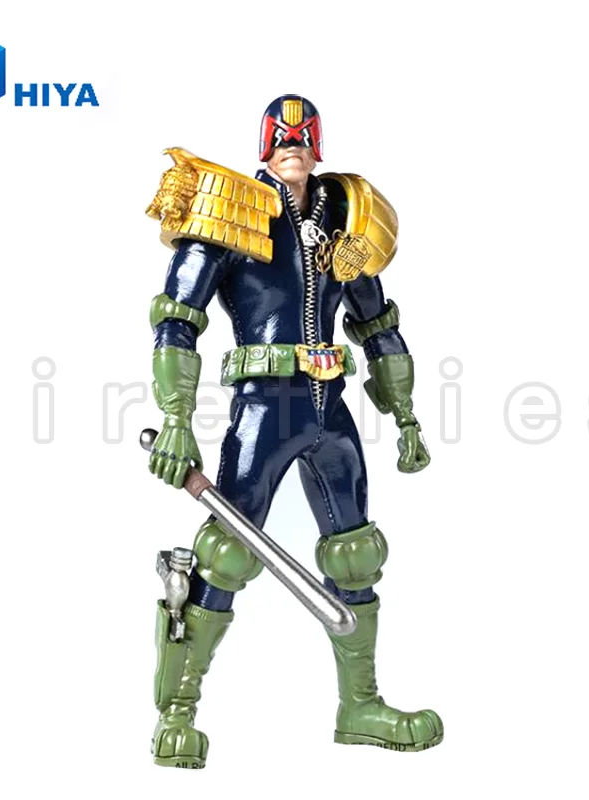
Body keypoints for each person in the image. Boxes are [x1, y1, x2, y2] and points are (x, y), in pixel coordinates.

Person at [145, 94, 442, 768]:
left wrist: (405, 415)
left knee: (356, 553)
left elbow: (375, 320)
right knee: (228, 553)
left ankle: (360, 705)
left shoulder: (344, 220)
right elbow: (177, 318)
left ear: (317, 146)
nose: (293, 148)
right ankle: (177, 713)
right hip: (265, 409)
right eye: (282, 140)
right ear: (265, 147)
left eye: (303, 139)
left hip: (329, 408)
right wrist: (176, 419)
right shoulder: (231, 210)